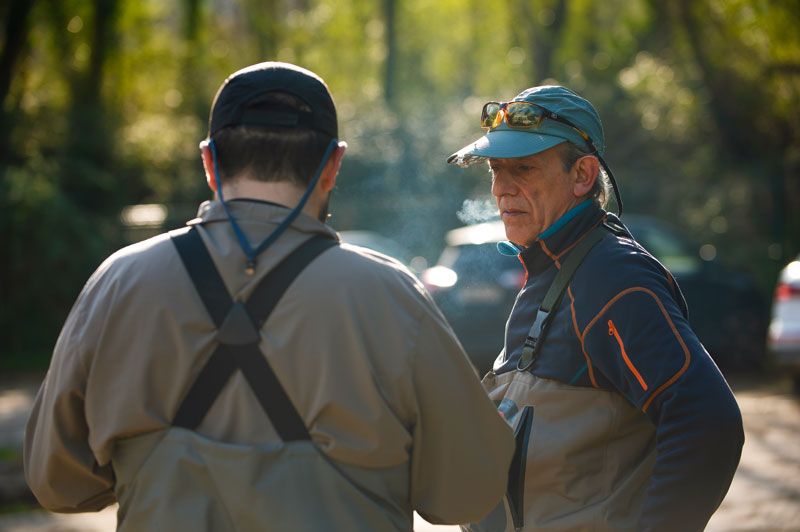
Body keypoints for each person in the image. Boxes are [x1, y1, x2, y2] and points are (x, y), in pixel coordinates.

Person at [24, 62, 514, 531]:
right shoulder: (390, 296)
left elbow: (58, 483)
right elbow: (467, 494)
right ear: (333, 165)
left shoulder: (118, 283)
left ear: (209, 162)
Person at [447, 85, 744, 532]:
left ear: (583, 175)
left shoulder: (613, 278)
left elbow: (708, 423)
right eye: (495, 169)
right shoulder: (553, 263)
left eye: (523, 168)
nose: (501, 189)